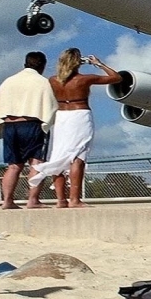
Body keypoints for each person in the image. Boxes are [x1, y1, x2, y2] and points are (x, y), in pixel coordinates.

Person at [29, 48, 122, 208]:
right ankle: (74, 199)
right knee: (78, 157)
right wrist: (98, 63)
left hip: (62, 117)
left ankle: (61, 200)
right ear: (78, 62)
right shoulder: (84, 79)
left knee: (59, 156)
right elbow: (116, 78)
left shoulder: (52, 80)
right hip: (79, 115)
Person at [0, 51, 58, 209]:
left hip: (10, 125)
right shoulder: (42, 81)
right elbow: (51, 106)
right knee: (37, 163)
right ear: (42, 65)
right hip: (32, 124)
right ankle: (33, 200)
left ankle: (7, 201)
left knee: (13, 165)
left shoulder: (9, 81)